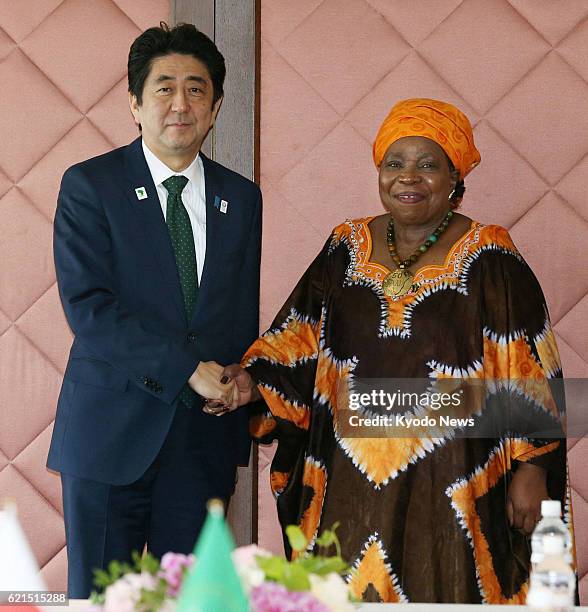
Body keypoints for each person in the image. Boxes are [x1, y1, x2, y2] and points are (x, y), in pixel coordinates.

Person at [206, 99, 573, 603]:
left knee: (446, 582)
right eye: (394, 163)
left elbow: (531, 365)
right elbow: (300, 338)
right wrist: (249, 380)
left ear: (454, 178)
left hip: (453, 483)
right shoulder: (344, 245)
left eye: (428, 165)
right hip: (349, 480)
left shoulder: (492, 256)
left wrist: (533, 469)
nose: (408, 177)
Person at [47, 23, 260, 598]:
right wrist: (186, 368)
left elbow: (237, 314)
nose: (181, 103)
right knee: (99, 600)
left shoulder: (240, 198)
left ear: (215, 107)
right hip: (109, 434)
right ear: (135, 105)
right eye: (163, 88)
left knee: (192, 601)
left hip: (201, 442)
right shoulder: (91, 186)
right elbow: (89, 307)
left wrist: (242, 378)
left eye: (197, 89)